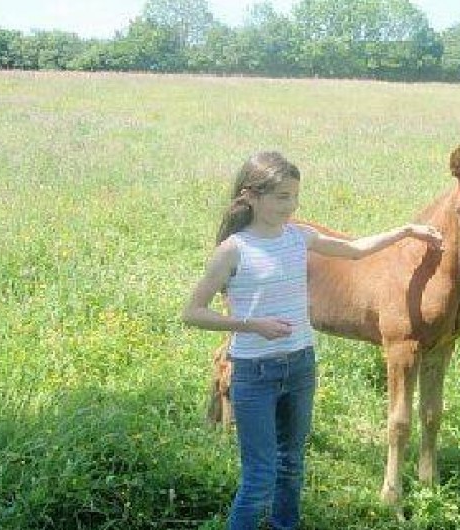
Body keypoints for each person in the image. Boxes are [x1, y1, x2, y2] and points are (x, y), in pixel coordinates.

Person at [182, 151, 442, 530]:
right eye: (282, 197)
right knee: (259, 477)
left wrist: (404, 231)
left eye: (295, 196)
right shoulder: (233, 250)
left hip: (301, 366)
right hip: (254, 373)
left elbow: (355, 250)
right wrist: (251, 324)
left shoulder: (299, 237)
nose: (291, 206)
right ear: (251, 197)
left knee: (291, 466)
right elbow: (192, 312)